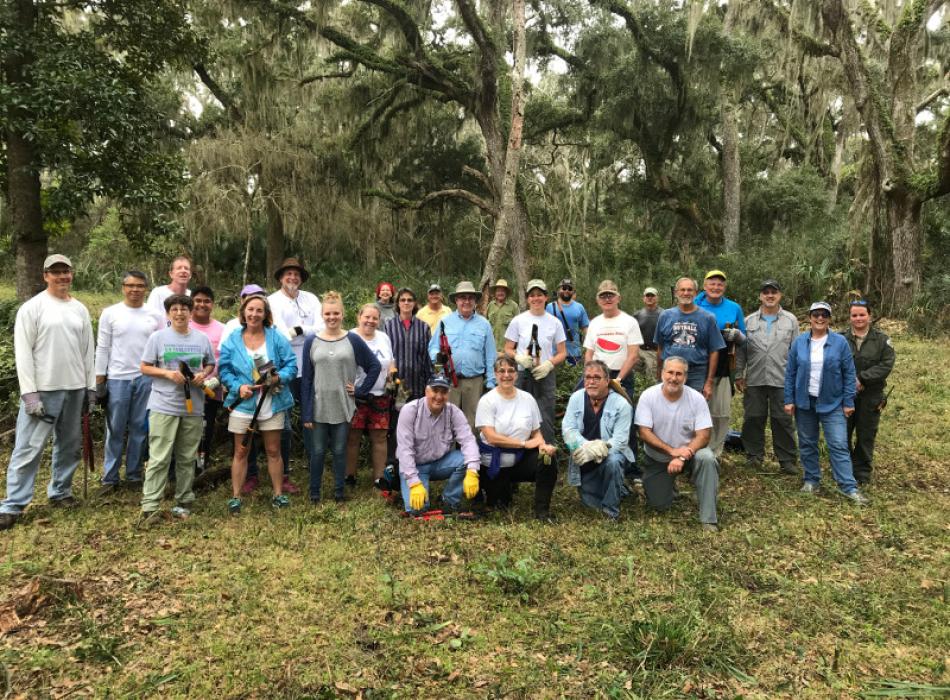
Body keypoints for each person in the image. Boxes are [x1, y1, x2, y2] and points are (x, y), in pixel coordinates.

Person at [0, 255, 96, 530]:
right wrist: (29, 394)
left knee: (69, 445)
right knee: (29, 447)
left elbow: (87, 351)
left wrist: (90, 388)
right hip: (44, 389)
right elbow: (23, 354)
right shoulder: (32, 308)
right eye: (56, 272)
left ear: (72, 274)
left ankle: (60, 492)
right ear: (45, 276)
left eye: (66, 271)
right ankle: (13, 505)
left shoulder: (79, 309)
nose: (62, 276)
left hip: (75, 387)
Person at [139, 295, 215, 526]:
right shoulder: (158, 338)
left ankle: (184, 499)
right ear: (168, 313)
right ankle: (150, 505)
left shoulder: (202, 339)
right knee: (160, 456)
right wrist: (167, 374)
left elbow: (210, 363)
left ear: (190, 312)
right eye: (175, 309)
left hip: (193, 406)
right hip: (164, 404)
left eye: (184, 309)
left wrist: (204, 373)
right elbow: (144, 367)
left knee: (186, 456)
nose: (180, 313)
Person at [784, 302, 869, 504]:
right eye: (816, 314)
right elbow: (790, 373)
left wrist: (848, 401)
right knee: (807, 443)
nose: (820, 318)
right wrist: (789, 399)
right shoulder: (799, 342)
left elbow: (849, 374)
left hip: (832, 403)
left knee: (838, 444)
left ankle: (848, 486)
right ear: (810, 317)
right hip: (805, 403)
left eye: (824, 315)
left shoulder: (839, 342)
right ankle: (811, 480)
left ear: (829, 318)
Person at [219, 296, 298, 514]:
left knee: (274, 450)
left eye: (259, 310)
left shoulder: (275, 337)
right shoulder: (233, 339)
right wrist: (238, 387)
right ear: (243, 312)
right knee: (241, 450)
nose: (254, 314)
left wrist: (278, 378)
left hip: (272, 402)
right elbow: (224, 370)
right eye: (250, 309)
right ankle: (236, 496)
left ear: (265, 314)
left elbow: (291, 364)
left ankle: (278, 494)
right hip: (245, 404)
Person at [300, 292, 381, 503]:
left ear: (343, 314)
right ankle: (315, 493)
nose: (332, 317)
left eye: (336, 313)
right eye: (328, 313)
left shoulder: (352, 339)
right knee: (317, 452)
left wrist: (361, 390)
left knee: (339, 450)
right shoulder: (312, 341)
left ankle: (339, 492)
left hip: (343, 405)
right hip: (318, 406)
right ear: (322, 315)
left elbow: (374, 366)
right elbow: (307, 379)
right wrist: (306, 412)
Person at [94, 270, 164, 495]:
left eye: (140, 286)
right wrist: (100, 380)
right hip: (117, 378)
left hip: (146, 378)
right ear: (123, 287)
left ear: (146, 288)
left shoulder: (155, 315)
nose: (135, 290)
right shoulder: (110, 313)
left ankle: (134, 474)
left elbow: (161, 348)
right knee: (114, 429)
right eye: (130, 285)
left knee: (139, 428)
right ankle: (110, 477)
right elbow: (103, 347)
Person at [636, 356, 720, 531]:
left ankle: (708, 518)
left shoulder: (696, 398)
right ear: (662, 373)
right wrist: (671, 451)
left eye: (679, 374)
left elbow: (704, 435)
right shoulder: (648, 396)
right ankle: (668, 487)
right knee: (659, 505)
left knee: (707, 458)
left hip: (689, 455)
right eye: (670, 372)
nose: (673, 378)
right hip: (659, 458)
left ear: (685, 377)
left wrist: (682, 455)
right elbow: (643, 432)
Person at [474, 356, 558, 520]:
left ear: (516, 374)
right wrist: (523, 443)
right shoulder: (487, 401)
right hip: (493, 461)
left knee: (548, 460)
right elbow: (491, 437)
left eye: (511, 371)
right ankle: (500, 490)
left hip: (520, 459)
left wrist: (542, 445)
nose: (506, 375)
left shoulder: (527, 399)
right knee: (499, 505)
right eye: (502, 371)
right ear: (495, 374)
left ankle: (542, 512)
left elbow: (536, 433)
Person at [269, 257, 323, 494]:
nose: (293, 278)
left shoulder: (311, 298)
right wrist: (303, 330)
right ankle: (284, 473)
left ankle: (315, 466)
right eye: (288, 274)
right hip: (286, 369)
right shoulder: (272, 301)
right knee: (284, 423)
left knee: (312, 419)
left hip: (311, 365)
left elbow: (322, 327)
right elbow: (281, 335)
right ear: (281, 277)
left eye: (296, 274)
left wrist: (301, 330)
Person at [735, 279, 799, 474]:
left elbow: (797, 351)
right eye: (766, 292)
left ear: (780, 295)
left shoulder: (791, 320)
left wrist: (796, 378)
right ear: (760, 296)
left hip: (782, 378)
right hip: (754, 377)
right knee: (753, 417)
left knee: (783, 420)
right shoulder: (748, 321)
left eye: (774, 292)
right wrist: (739, 374)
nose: (770, 296)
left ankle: (787, 460)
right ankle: (754, 456)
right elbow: (741, 351)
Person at [583, 279, 643, 479]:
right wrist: (590, 375)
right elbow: (589, 353)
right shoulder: (595, 323)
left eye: (611, 295)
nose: (607, 299)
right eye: (603, 295)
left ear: (618, 297)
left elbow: (633, 354)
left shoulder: (629, 322)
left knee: (626, 416)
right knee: (588, 414)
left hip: (620, 375)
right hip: (597, 375)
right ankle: (593, 461)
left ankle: (632, 469)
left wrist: (618, 379)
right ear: (598, 300)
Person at [395, 374, 481, 514]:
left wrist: (472, 472)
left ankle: (449, 500)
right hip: (414, 466)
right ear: (426, 391)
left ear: (448, 394)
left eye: (443, 392)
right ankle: (404, 483)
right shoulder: (410, 410)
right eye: (435, 391)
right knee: (417, 510)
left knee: (469, 460)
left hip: (440, 462)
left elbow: (468, 441)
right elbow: (405, 450)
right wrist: (414, 482)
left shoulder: (453, 412)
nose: (439, 396)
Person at [562, 360, 634, 520]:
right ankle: (619, 489)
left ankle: (611, 512)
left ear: (607, 381)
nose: (591, 381)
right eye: (588, 377)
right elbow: (568, 429)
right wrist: (586, 446)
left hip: (610, 455)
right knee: (591, 503)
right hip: (583, 456)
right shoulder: (576, 398)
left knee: (614, 462)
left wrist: (601, 447)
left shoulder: (622, 404)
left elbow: (621, 441)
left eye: (597, 377)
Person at [504, 279, 567, 442]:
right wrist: (518, 357)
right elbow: (508, 349)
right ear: (527, 299)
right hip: (521, 374)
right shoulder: (518, 320)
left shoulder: (555, 322)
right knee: (519, 414)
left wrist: (549, 364)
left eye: (540, 295)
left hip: (544, 375)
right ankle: (520, 453)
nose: (536, 298)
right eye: (532, 295)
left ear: (546, 298)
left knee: (545, 416)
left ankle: (546, 457)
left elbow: (562, 353)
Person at [428, 281, 496, 430]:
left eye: (470, 298)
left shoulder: (484, 324)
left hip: (474, 382)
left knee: (472, 424)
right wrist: (438, 360)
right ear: (456, 301)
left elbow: (490, 355)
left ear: (475, 301)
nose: (466, 301)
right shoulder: (445, 322)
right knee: (447, 423)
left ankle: (469, 454)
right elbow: (433, 348)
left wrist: (491, 382)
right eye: (462, 297)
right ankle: (448, 453)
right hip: (449, 381)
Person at [695, 270, 747, 457]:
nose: (716, 287)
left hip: (724, 366)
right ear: (704, 285)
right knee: (695, 411)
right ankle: (694, 452)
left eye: (720, 284)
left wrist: (737, 335)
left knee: (720, 412)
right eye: (712, 283)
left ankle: (714, 453)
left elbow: (744, 338)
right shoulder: (694, 305)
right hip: (697, 367)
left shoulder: (734, 308)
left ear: (724, 287)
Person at [843, 300, 895, 485]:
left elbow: (886, 364)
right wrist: (850, 382)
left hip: (871, 396)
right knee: (843, 433)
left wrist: (862, 378)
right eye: (854, 315)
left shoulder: (882, 340)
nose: (858, 318)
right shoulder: (841, 338)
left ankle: (862, 472)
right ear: (850, 317)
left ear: (869, 316)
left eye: (862, 314)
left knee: (866, 434)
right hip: (846, 395)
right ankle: (844, 469)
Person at [345, 304, 396, 485]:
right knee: (353, 436)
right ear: (359, 317)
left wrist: (392, 375)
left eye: (375, 318)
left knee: (380, 437)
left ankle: (379, 477)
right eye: (367, 317)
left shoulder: (383, 337)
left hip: (380, 394)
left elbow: (391, 361)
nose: (370, 321)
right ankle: (349, 475)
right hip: (356, 395)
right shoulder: (350, 336)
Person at [654, 277, 725, 398]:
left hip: (696, 373)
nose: (686, 293)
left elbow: (714, 351)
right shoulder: (665, 316)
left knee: (693, 411)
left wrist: (709, 382)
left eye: (689, 290)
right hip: (670, 371)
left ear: (695, 293)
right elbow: (660, 347)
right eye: (682, 290)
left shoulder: (708, 318)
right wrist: (659, 372)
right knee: (668, 407)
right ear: (676, 293)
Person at [189, 286, 226, 472]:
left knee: (205, 430)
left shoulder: (222, 329)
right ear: (191, 302)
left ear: (212, 304)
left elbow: (227, 359)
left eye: (206, 301)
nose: (202, 304)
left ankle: (201, 468)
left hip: (211, 389)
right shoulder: (182, 325)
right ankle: (182, 468)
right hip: (184, 391)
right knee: (186, 429)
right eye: (198, 300)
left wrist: (218, 380)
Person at [383, 287, 432, 401]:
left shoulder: (424, 328)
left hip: (418, 385)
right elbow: (385, 356)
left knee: (418, 417)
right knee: (396, 419)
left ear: (414, 303)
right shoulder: (388, 327)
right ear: (397, 303)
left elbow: (427, 358)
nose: (406, 302)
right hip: (395, 385)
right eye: (403, 300)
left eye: (410, 300)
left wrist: (430, 383)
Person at [546, 278, 589, 366]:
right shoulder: (550, 307)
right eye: (564, 288)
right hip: (554, 353)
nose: (566, 291)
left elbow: (585, 329)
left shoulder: (579, 307)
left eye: (569, 289)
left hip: (574, 353)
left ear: (573, 291)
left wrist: (588, 349)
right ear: (559, 290)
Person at [634, 287, 663, 383]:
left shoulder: (664, 314)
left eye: (652, 295)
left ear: (657, 298)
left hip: (655, 352)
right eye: (647, 295)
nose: (650, 298)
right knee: (637, 379)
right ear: (644, 298)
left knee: (652, 381)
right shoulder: (637, 315)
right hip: (639, 352)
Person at [486, 279, 519, 355]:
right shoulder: (490, 305)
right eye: (498, 291)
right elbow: (486, 325)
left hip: (508, 350)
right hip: (492, 349)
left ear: (506, 292)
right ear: (495, 293)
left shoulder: (514, 306)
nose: (500, 293)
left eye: (502, 291)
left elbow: (519, 328)